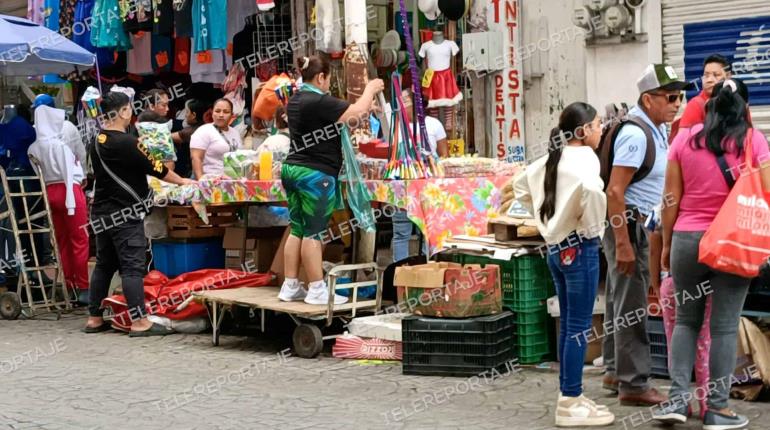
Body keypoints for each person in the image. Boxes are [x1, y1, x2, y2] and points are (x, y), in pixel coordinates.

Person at [653, 79, 770, 429]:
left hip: (688, 240)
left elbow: (669, 199)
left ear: (708, 107)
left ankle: (676, 400)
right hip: (733, 241)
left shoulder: (683, 140)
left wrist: (668, 244)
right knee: (722, 327)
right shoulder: (754, 140)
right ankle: (717, 409)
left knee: (685, 322)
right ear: (744, 109)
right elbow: (765, 193)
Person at [515, 102, 613, 427]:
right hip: (580, 247)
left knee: (571, 324)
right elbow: (593, 195)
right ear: (583, 131)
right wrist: (590, 228)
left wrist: (548, 222)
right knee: (577, 327)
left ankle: (569, 394)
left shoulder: (550, 159)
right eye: (598, 125)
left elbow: (519, 188)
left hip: (556, 249)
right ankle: (570, 402)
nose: (601, 129)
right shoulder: (586, 160)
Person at [602, 63, 691, 406]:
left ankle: (614, 371)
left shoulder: (654, 128)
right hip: (631, 227)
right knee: (632, 307)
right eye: (670, 97)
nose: (677, 103)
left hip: (634, 226)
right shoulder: (637, 134)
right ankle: (635, 385)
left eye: (680, 96)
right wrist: (624, 243)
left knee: (619, 302)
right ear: (648, 99)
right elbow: (615, 191)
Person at [84, 92, 194, 336]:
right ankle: (139, 322)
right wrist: (182, 181)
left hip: (101, 212)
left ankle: (94, 318)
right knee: (132, 267)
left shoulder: (97, 140)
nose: (131, 113)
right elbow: (157, 168)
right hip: (125, 212)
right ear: (123, 111)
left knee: (104, 264)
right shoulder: (127, 142)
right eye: (129, 109)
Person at [278, 55, 384, 305]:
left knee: (297, 228)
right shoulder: (317, 99)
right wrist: (370, 89)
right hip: (316, 174)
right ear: (321, 77)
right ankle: (316, 289)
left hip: (292, 169)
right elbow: (354, 113)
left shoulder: (296, 100)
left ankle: (290, 285)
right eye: (327, 80)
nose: (328, 86)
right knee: (314, 234)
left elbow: (341, 115)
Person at [28, 103, 90, 305]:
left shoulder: (34, 147)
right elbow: (70, 172)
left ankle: (69, 284)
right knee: (79, 239)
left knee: (62, 240)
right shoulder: (60, 146)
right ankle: (83, 287)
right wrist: (71, 200)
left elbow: (38, 173)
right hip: (68, 189)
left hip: (50, 191)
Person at [391, 89, 447, 262]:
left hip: (428, 185)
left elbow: (443, 155)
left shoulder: (434, 124)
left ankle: (426, 267)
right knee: (401, 231)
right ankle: (399, 271)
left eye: (406, 100)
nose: (402, 104)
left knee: (427, 229)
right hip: (402, 185)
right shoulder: (396, 125)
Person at [190, 98, 242, 179]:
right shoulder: (204, 131)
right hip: (211, 181)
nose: (221, 115)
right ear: (212, 113)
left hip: (231, 181)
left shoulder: (235, 133)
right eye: (217, 111)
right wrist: (201, 181)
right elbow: (196, 158)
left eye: (226, 112)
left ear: (232, 115)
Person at [678, 54, 732, 130]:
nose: (709, 80)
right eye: (706, 75)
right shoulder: (695, 105)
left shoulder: (737, 102)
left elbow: (748, 138)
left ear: (728, 76)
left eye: (716, 75)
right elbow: (682, 140)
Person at [172, 99, 208, 178]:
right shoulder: (206, 126)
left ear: (194, 115)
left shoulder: (191, 131)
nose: (185, 115)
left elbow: (168, 137)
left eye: (187, 112)